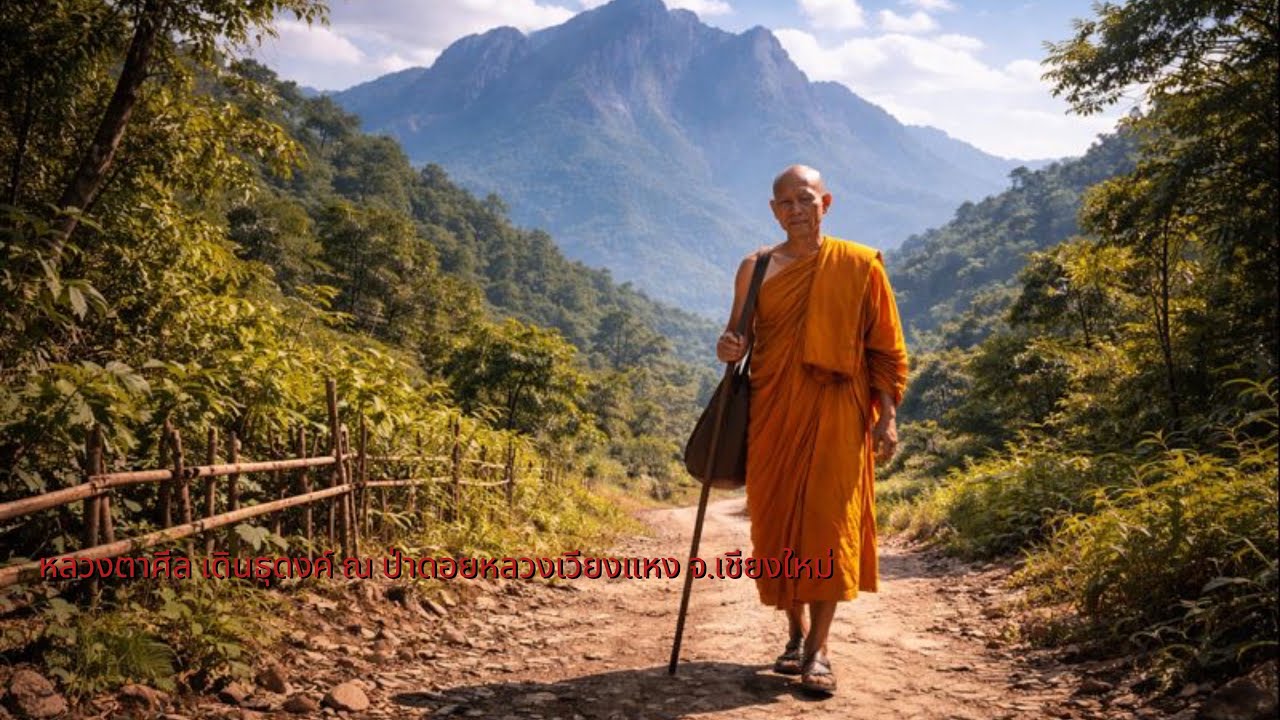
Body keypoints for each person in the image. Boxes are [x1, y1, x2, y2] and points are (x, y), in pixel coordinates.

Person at [716, 164, 909, 696]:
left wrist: (887, 418)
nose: (796, 211)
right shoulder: (755, 268)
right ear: (774, 211)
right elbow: (736, 336)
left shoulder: (859, 265)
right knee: (780, 526)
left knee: (828, 526)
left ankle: (820, 650)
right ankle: (795, 635)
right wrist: (728, 347)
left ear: (826, 203)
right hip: (773, 412)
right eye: (786, 204)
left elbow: (885, 352)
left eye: (806, 200)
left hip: (840, 413)